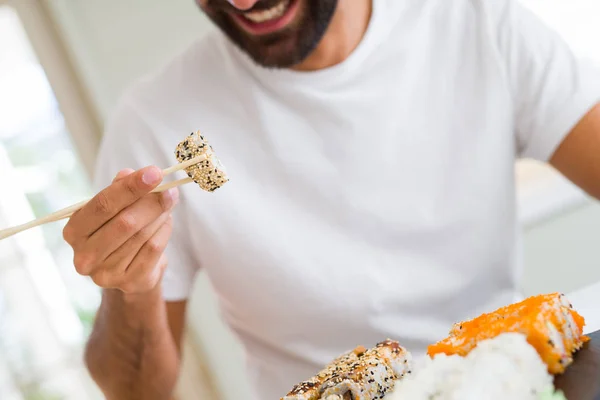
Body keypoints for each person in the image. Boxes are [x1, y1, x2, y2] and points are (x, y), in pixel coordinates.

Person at [62, 0, 600, 398]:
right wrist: (132, 289)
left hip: (510, 379)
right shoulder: (153, 126)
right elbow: (135, 392)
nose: (245, 4)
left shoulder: (477, 23)